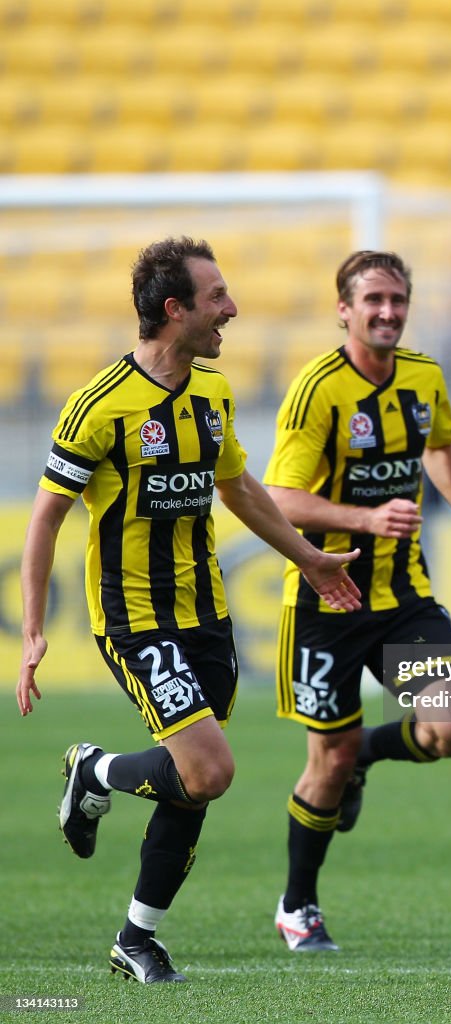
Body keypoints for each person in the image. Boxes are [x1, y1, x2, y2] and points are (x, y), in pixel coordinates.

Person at [16, 237, 361, 983]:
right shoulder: (100, 406)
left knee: (191, 780)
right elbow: (45, 517)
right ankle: (97, 771)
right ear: (174, 311)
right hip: (134, 618)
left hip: (208, 615)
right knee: (208, 771)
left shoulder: (212, 394)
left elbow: (238, 488)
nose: (230, 311)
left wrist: (304, 555)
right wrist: (36, 628)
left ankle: (136, 937)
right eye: (216, 299)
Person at [263, 250, 451, 950]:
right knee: (324, 764)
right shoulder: (316, 391)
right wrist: (364, 520)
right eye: (373, 301)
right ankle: (297, 906)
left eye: (397, 299)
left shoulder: (423, 375)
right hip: (325, 601)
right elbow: (277, 499)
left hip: (403, 595)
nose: (387, 312)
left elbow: (442, 447)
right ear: (344, 310)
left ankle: (368, 747)